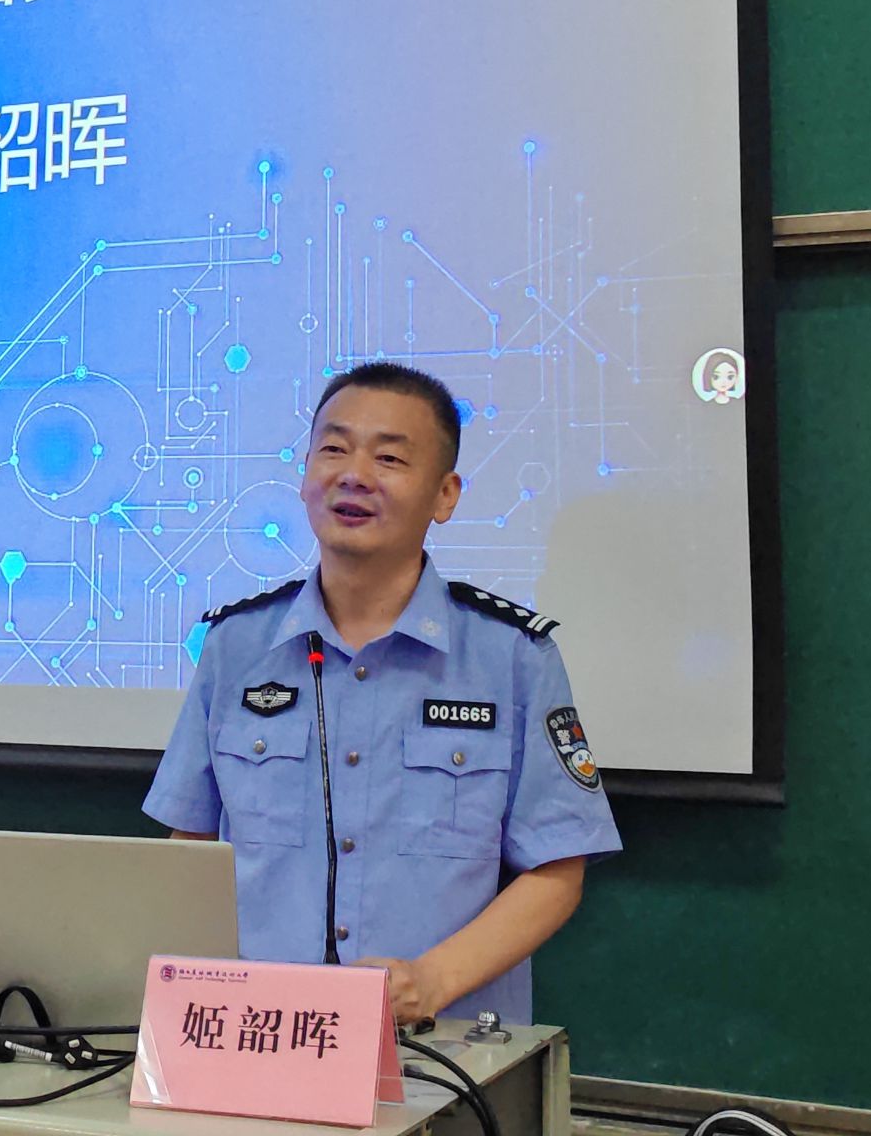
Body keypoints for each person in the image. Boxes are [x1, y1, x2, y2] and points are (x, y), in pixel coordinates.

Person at [143, 361, 621, 1025]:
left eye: (389, 458)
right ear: (305, 475)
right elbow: (188, 845)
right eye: (334, 449)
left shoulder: (512, 656)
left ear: (445, 495)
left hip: (441, 1049)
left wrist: (430, 981)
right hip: (257, 1034)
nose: (354, 475)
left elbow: (557, 870)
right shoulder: (236, 646)